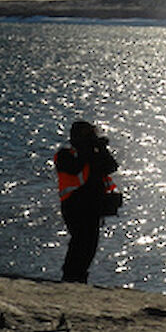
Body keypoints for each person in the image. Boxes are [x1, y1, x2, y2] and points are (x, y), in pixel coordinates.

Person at [53, 120, 120, 283]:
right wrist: (89, 148)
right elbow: (74, 167)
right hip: (74, 205)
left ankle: (80, 276)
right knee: (79, 241)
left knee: (90, 244)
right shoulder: (65, 154)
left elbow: (111, 166)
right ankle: (70, 275)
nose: (91, 137)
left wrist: (102, 149)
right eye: (87, 134)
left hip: (93, 205)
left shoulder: (94, 153)